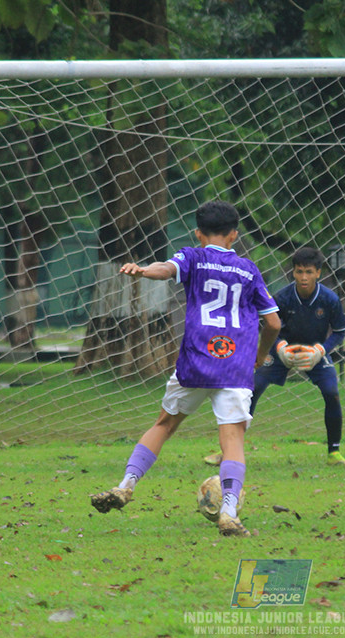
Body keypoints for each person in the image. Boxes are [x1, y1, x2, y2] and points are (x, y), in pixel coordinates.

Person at [90, 201, 281, 537]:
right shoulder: (249, 270)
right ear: (234, 235)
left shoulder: (193, 256)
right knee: (232, 440)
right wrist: (260, 355)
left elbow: (165, 268)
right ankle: (229, 512)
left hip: (196, 360)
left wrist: (143, 270)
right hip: (235, 365)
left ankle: (125, 485)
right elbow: (274, 322)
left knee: (164, 424)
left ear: (197, 233)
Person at [204, 246, 345, 468]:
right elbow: (267, 325)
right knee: (251, 389)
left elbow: (340, 331)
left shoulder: (330, 299)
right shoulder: (282, 297)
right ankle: (228, 450)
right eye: (299, 271)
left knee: (332, 392)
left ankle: (334, 452)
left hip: (313, 353)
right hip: (280, 352)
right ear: (293, 272)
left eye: (309, 272)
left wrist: (321, 351)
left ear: (318, 273)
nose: (304, 277)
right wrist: (280, 346)